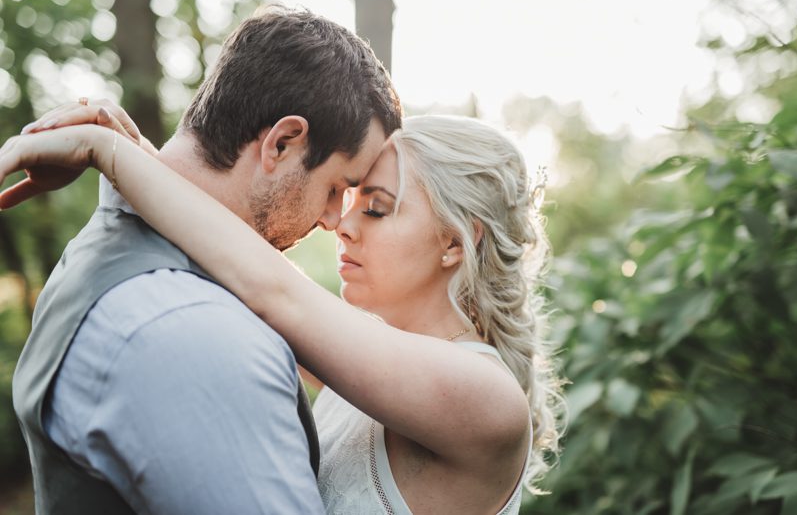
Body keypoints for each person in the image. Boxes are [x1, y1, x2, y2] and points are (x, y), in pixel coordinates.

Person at [1, 111, 564, 513]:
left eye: (376, 208)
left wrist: (109, 155)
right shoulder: (373, 357)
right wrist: (141, 155)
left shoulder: (485, 400)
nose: (343, 224)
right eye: (349, 201)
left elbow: (271, 290)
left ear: (455, 242)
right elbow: (249, 268)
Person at [5, 3, 401, 514]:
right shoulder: (199, 335)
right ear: (282, 143)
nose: (332, 220)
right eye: (336, 188)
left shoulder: (112, 248)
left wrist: (131, 161)